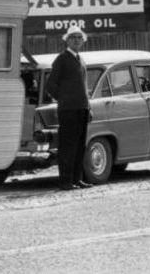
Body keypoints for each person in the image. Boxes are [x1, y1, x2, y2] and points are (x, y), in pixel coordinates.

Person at [45, 24, 93, 191]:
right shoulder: (62, 59)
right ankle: (65, 182)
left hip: (82, 109)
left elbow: (83, 86)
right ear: (67, 40)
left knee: (80, 146)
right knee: (68, 147)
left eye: (80, 37)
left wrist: (88, 106)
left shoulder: (81, 59)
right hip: (68, 110)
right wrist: (64, 99)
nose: (77, 40)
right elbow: (50, 85)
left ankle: (77, 179)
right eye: (73, 37)